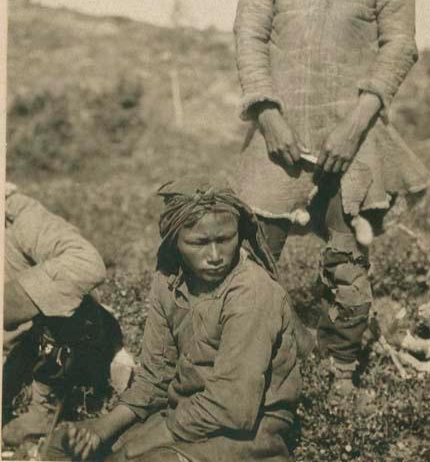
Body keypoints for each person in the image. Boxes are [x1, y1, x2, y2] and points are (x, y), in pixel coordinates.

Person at [234, 0, 430, 395]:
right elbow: (249, 37)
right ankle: (266, 371)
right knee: (251, 264)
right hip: (279, 132)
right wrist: (268, 114)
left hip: (356, 136)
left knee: (348, 265)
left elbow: (400, 45)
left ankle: (341, 374)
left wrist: (354, 124)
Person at [50, 176, 301, 462]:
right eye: (199, 242)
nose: (215, 255)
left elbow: (233, 408)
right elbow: (155, 377)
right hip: (183, 417)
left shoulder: (252, 293)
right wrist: (100, 431)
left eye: (225, 239)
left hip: (248, 434)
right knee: (61, 447)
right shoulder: (169, 277)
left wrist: (132, 449)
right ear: (175, 242)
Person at [2, 182, 125, 447]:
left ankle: (42, 410)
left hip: (42, 345)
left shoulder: (19, 216)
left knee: (61, 299)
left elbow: (86, 263)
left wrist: (9, 303)